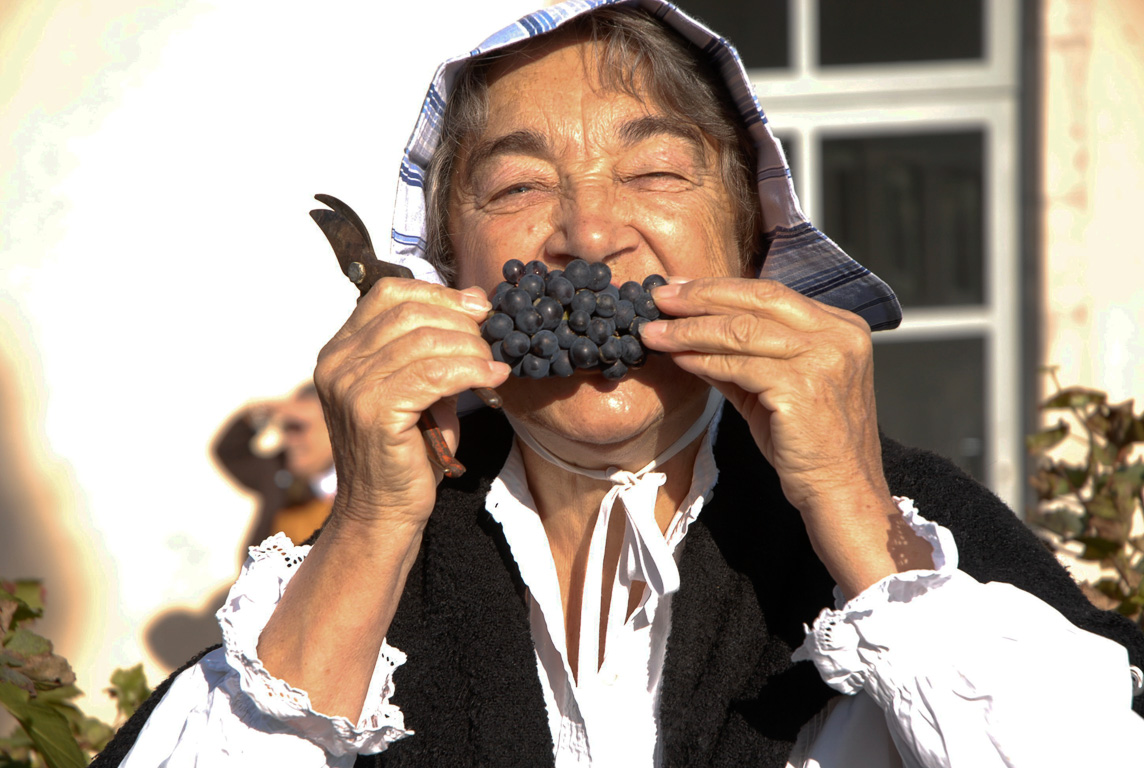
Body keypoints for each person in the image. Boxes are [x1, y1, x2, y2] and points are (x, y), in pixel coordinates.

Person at [95, 2, 1144, 766]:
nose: (589, 236)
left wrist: (860, 519)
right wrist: (369, 526)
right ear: (452, 275)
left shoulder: (924, 537)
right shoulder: (372, 566)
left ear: (746, 244)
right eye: (517, 185)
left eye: (654, 174)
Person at [214, 383, 337, 549]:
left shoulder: (368, 483)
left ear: (334, 428)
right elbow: (230, 451)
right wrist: (263, 411)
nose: (289, 439)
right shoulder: (279, 472)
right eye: (286, 427)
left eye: (298, 427)